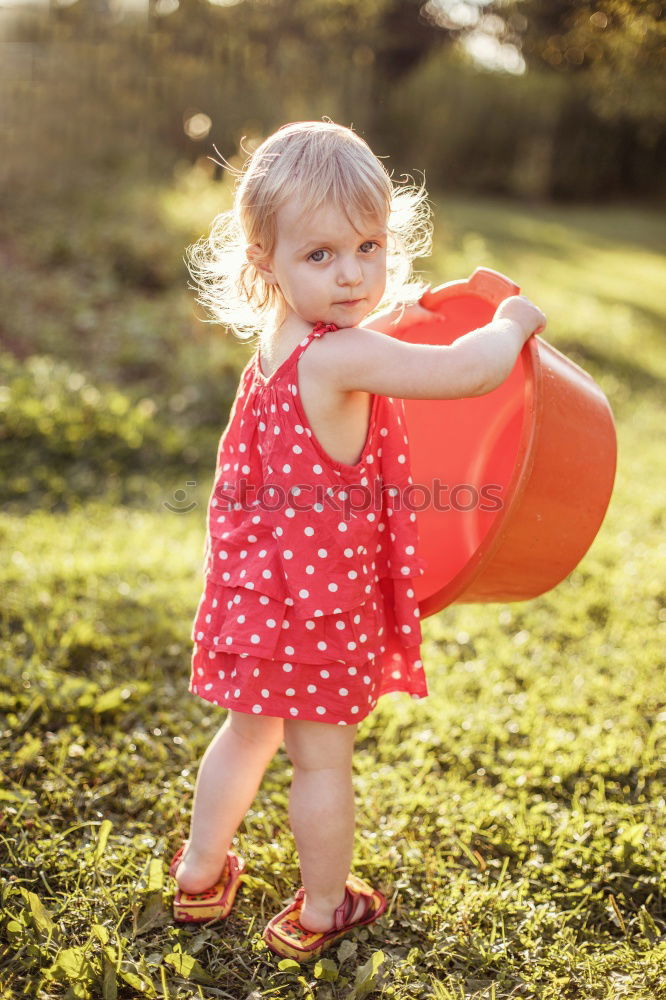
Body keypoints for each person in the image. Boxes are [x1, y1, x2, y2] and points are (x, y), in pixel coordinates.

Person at [168, 119, 547, 961]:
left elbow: (369, 335)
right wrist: (510, 327)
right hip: (320, 609)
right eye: (322, 256)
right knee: (321, 762)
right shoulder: (342, 361)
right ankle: (324, 909)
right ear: (265, 258)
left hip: (259, 595)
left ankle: (199, 873)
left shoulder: (279, 343)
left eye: (368, 248)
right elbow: (465, 373)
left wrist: (399, 311)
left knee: (247, 732)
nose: (351, 274)